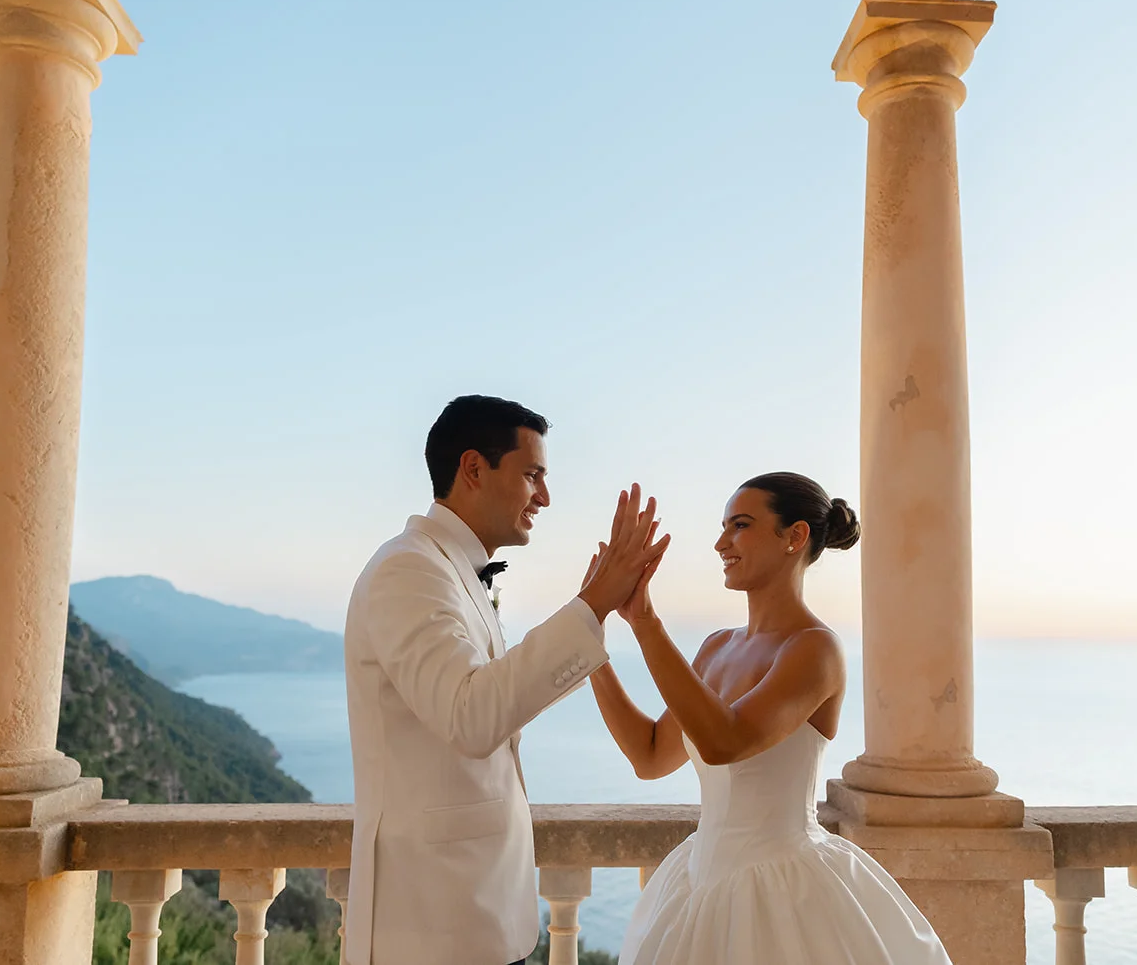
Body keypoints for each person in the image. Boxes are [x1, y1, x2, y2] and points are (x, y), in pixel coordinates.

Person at [342, 394, 669, 965]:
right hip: (435, 928)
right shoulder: (408, 568)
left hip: (481, 915)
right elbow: (470, 716)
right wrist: (590, 605)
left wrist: (593, 618)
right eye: (533, 475)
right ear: (473, 468)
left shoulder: (447, 569)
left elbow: (493, 692)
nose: (544, 497)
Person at [589, 472, 952, 964]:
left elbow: (725, 742)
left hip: (784, 893)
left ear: (795, 536)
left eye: (740, 525)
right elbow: (651, 755)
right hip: (699, 880)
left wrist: (647, 623)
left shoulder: (815, 649)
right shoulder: (717, 647)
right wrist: (592, 647)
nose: (721, 542)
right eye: (722, 527)